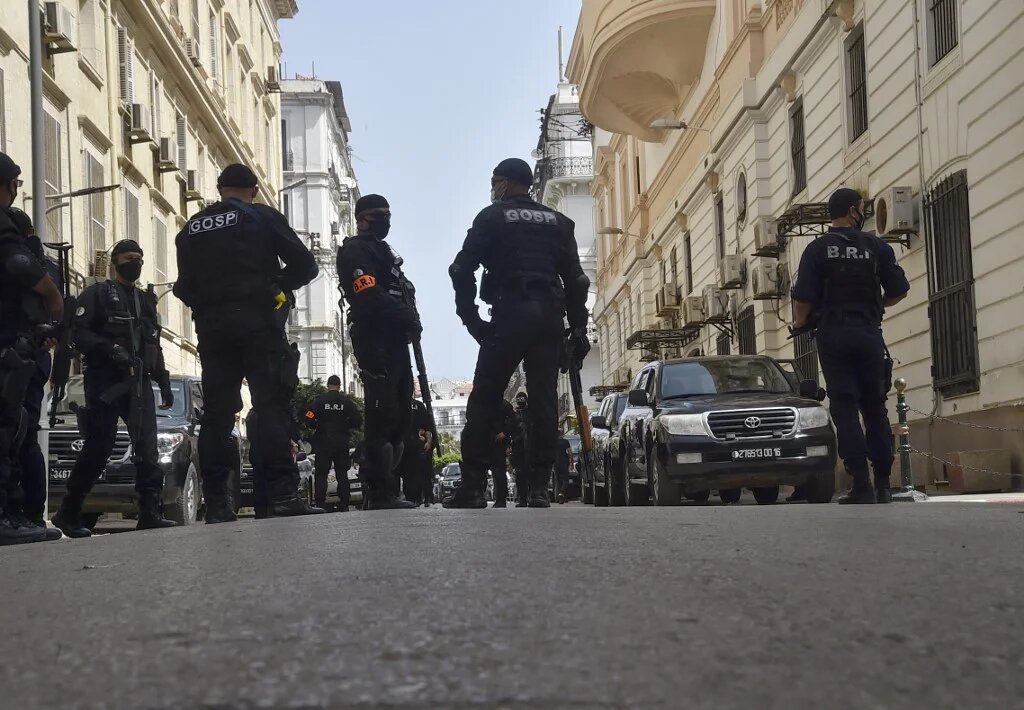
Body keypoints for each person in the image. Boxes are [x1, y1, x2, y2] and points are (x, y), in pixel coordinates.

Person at [174, 163, 323, 522]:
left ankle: (218, 504)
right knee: (270, 407)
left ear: (219, 188)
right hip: (259, 325)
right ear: (253, 190)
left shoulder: (191, 228)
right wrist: (275, 286)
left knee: (217, 416)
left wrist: (212, 303)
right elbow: (306, 265)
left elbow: (182, 287)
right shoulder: (262, 218)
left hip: (213, 330)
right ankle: (283, 496)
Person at [446, 158, 590, 509]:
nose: (494, 189)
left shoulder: (492, 217)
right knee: (542, 402)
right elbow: (577, 280)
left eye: (496, 182)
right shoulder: (559, 222)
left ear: (508, 184)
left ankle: (474, 486)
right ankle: (539, 487)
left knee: (484, 400)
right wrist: (578, 328)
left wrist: (470, 318)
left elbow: (461, 268)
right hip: (548, 319)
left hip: (510, 312)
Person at [791, 187, 910, 504]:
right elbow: (899, 290)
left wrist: (800, 324)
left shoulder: (816, 250)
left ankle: (861, 484)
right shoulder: (876, 247)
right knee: (875, 407)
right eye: (861, 207)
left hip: (834, 334)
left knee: (844, 407)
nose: (863, 212)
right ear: (851, 210)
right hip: (869, 334)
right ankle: (884, 482)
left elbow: (802, 299)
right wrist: (876, 307)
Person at [52, 239, 176, 537]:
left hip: (139, 383)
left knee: (147, 450)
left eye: (140, 258)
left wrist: (163, 381)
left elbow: (152, 344)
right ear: (116, 262)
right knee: (98, 447)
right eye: (130, 258)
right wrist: (110, 350)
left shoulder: (146, 301)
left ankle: (149, 512)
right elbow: (78, 334)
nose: (136, 263)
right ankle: (69, 512)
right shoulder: (97, 294)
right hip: (106, 381)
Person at [336, 194, 420, 510]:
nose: (385, 220)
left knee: (400, 415)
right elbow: (368, 295)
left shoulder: (385, 253)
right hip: (375, 337)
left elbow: (403, 293)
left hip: (396, 338)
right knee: (382, 413)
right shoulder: (356, 250)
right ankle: (379, 490)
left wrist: (413, 321)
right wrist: (404, 315)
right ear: (363, 218)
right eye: (379, 215)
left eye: (388, 214)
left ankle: (389, 487)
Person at [0, 153, 64, 544]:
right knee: (10, 427)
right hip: (8, 343)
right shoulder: (6, 227)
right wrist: (54, 299)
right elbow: (20, 266)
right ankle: (9, 516)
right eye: (15, 185)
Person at [305, 375, 362, 511]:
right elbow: (358, 419)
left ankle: (320, 503)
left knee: (321, 474)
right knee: (342, 473)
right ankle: (344, 503)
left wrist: (315, 425)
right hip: (341, 442)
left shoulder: (319, 401)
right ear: (339, 386)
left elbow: (308, 416)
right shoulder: (346, 402)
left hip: (323, 441)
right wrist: (345, 425)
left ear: (328, 385)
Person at [397, 399, 434, 505]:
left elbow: (427, 427)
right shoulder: (418, 405)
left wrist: (428, 441)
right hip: (414, 443)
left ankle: (412, 497)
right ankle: (415, 497)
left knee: (408, 473)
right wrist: (428, 442)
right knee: (414, 472)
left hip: (405, 443)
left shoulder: (396, 403)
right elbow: (427, 427)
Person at [489, 399, 516, 508]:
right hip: (488, 440)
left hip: (498, 441)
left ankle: (501, 498)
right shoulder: (485, 403)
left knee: (499, 470)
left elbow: (513, 419)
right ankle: (497, 497)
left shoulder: (503, 404)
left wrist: (505, 432)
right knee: (494, 471)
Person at [553, 435, 572, 504]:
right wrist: (571, 461)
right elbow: (569, 452)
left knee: (558, 480)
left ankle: (560, 497)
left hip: (556, 462)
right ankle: (561, 493)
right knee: (565, 480)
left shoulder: (553, 442)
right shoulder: (565, 441)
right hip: (564, 462)